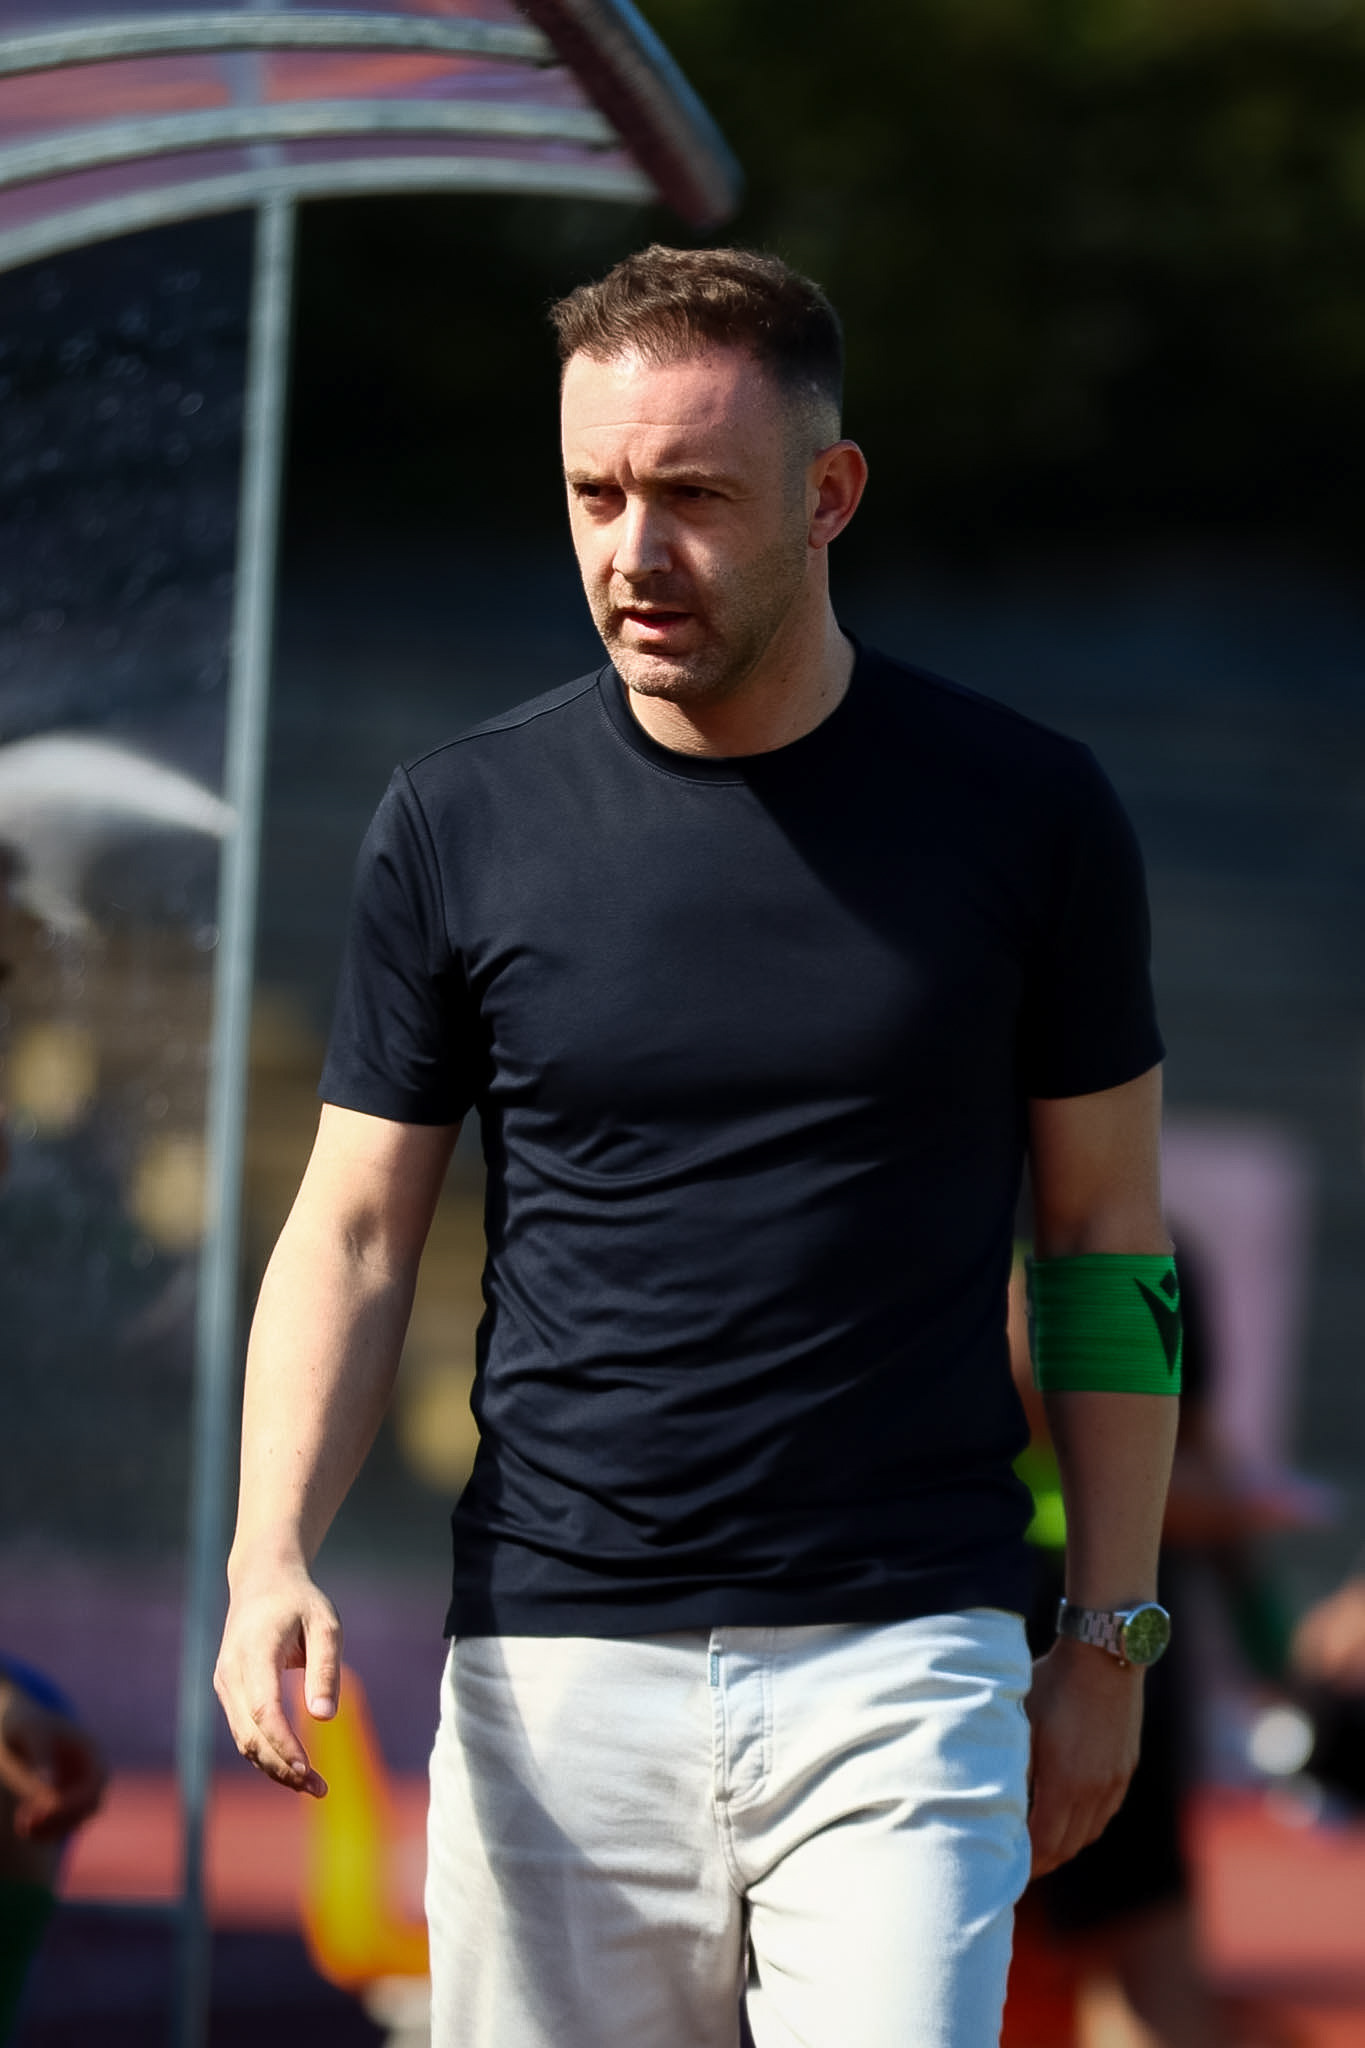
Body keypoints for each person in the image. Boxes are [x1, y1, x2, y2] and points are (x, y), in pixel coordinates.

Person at [214, 245, 1181, 2048]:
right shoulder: (456, 819)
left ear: (829, 494)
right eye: (594, 493)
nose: (632, 551)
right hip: (550, 1663)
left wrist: (1107, 1633)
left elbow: (1107, 1240)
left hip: (904, 1653)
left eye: (692, 496)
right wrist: (268, 1549)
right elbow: (350, 1230)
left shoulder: (1030, 815)